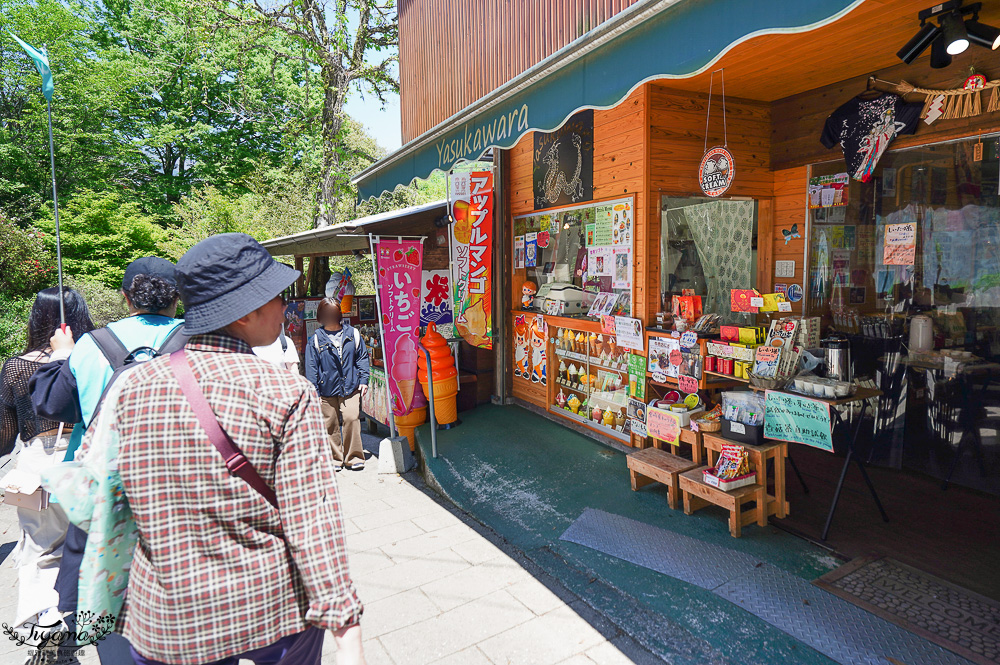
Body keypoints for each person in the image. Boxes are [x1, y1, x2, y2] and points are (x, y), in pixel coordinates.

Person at [91, 233, 364, 665]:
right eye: (276, 295)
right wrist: (346, 631)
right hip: (270, 609)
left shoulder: (129, 388)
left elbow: (98, 495)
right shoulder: (285, 391)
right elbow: (312, 521)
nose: (284, 305)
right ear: (247, 310)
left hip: (167, 616)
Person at [31, 256, 184, 665]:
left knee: (107, 601)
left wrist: (63, 357)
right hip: (180, 494)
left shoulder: (92, 345)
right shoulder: (199, 340)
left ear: (125, 297)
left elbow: (52, 405)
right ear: (178, 297)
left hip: (104, 498)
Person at [1, 287, 93, 661]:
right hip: (86, 458)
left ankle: (47, 624)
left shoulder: (16, 366)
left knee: (39, 549)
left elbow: (5, 436)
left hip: (38, 463)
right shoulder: (93, 358)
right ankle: (83, 620)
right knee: (88, 546)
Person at [304, 298, 370, 471]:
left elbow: (362, 357)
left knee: (351, 417)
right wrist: (314, 391)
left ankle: (354, 457)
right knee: (330, 423)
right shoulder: (316, 339)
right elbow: (311, 366)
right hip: (326, 388)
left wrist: (364, 380)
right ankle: (335, 458)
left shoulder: (353, 334)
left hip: (350, 385)